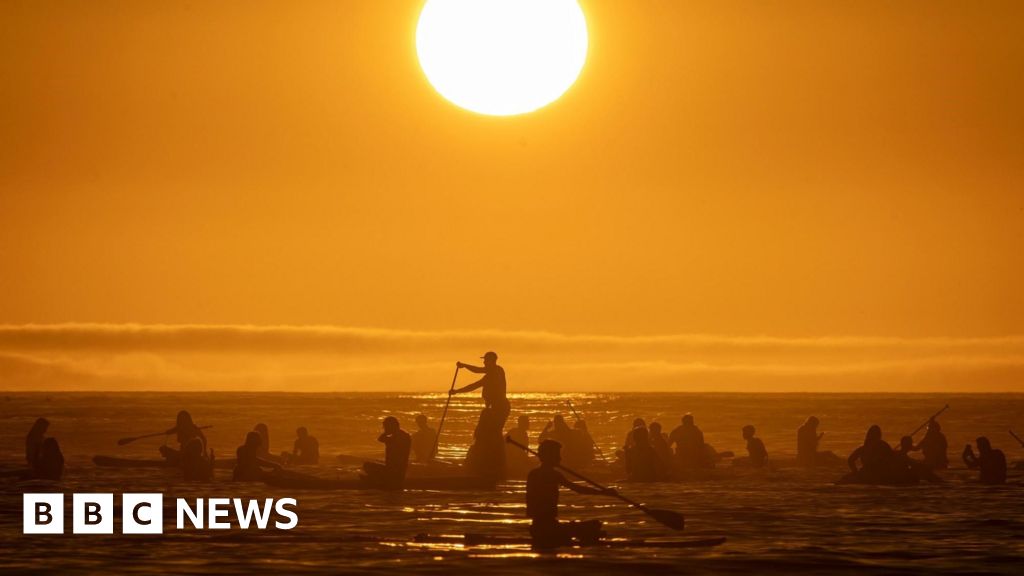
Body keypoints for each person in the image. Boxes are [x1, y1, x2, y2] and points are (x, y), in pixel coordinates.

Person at [526, 440, 616, 549]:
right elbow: (578, 489)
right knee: (593, 526)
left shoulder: (534, 474)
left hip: (538, 527)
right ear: (549, 456)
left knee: (592, 526)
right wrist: (604, 493)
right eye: (557, 455)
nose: (560, 458)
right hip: (545, 528)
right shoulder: (552, 475)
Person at [452, 351, 509, 479]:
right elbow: (474, 386)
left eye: (485, 360)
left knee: (492, 434)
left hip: (499, 408)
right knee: (490, 435)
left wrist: (464, 365)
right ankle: (490, 462)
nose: (484, 362)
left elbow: (477, 371)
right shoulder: (489, 375)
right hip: (495, 408)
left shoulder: (496, 371)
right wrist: (456, 391)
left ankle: (494, 463)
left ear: (492, 361)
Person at [363, 416, 412, 490]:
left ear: (392, 426)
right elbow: (381, 439)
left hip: (395, 472)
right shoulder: (398, 436)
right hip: (392, 470)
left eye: (386, 427)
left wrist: (386, 432)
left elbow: (381, 438)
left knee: (367, 466)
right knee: (368, 465)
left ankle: (382, 482)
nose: (384, 429)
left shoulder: (401, 437)